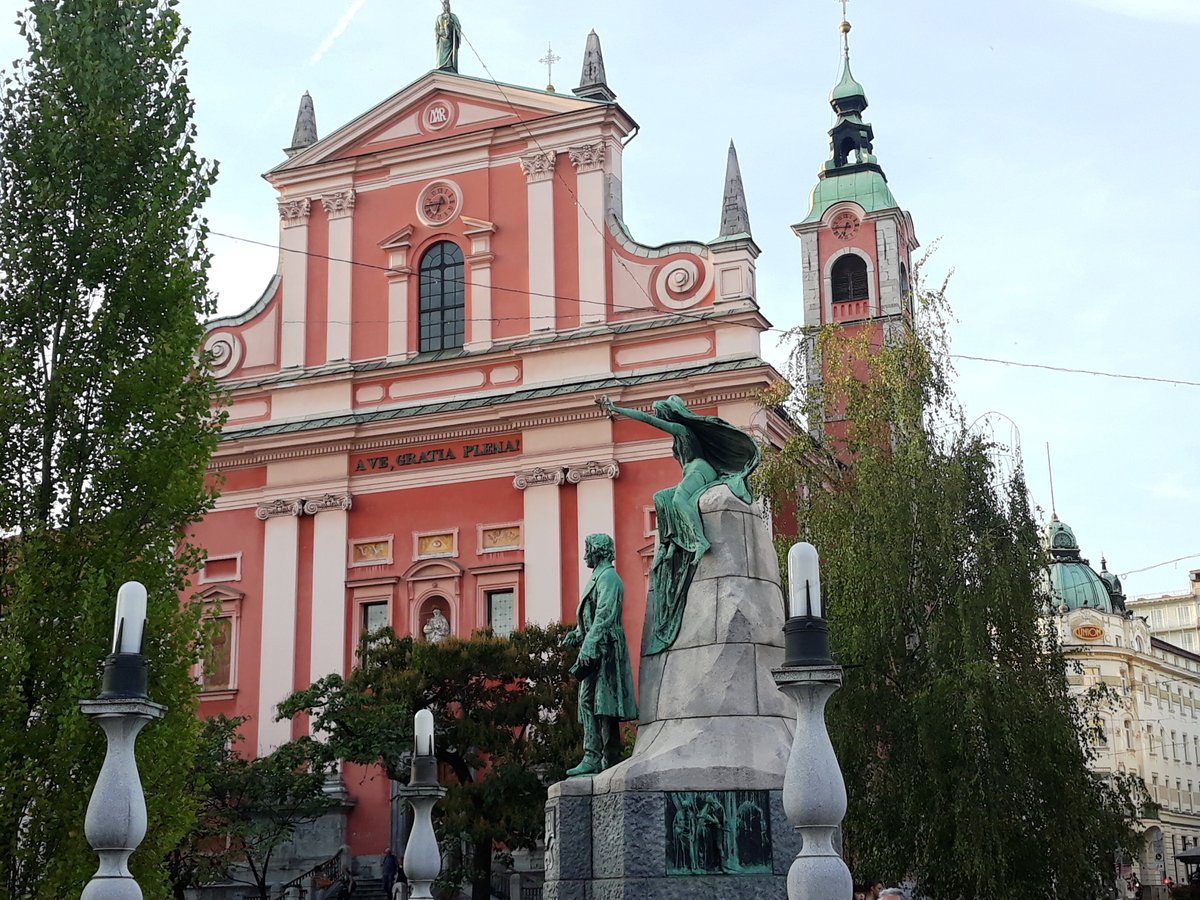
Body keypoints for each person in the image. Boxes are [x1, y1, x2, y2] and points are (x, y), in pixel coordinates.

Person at [596, 395, 758, 655]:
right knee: (662, 498)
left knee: (681, 498)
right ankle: (674, 540)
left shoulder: (681, 429)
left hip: (701, 471)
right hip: (694, 471)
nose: (659, 418)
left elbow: (647, 420)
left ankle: (698, 539)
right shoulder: (681, 435)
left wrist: (616, 409)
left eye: (661, 414)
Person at [562, 533, 638, 776]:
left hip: (605, 649)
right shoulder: (599, 578)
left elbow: (604, 615)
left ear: (598, 551)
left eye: (588, 550)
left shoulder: (609, 579)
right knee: (603, 705)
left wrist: (588, 645)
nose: (585, 555)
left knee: (594, 702)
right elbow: (592, 616)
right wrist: (577, 633)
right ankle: (610, 757)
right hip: (599, 646)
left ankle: (593, 756)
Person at [434, 0, 461, 72]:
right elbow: (436, 29)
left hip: (449, 38)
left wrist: (451, 23)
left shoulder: (453, 16)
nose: (445, 7)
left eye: (446, 5)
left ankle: (449, 65)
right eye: (444, 5)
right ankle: (442, 65)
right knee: (441, 54)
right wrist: (439, 33)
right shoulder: (439, 17)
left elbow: (458, 27)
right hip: (442, 39)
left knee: (450, 53)